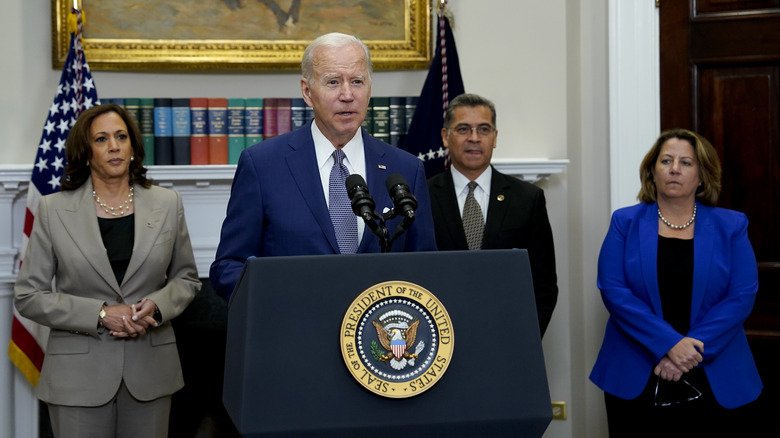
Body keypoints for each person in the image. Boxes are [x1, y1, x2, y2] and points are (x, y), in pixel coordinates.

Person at [14, 103, 201, 438]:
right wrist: (100, 314)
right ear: (86, 153)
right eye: (101, 139)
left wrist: (157, 307)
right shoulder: (53, 209)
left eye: (121, 136)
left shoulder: (167, 204)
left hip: (151, 372)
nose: (114, 146)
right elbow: (29, 297)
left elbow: (186, 279)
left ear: (133, 146)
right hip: (77, 378)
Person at [210, 32, 437, 301]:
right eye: (333, 82)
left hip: (378, 337)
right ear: (307, 92)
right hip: (293, 331)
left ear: (369, 88)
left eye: (357, 81)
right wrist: (283, 298)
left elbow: (427, 269)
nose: (347, 95)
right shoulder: (262, 165)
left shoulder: (406, 168)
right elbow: (228, 267)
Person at [590, 129, 763, 436]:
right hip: (636, 370)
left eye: (686, 163)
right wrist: (668, 344)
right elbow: (613, 290)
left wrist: (686, 352)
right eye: (666, 161)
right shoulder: (624, 222)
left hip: (717, 370)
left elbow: (742, 295)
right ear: (651, 172)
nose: (674, 169)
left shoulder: (732, 225)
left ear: (702, 176)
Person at [427, 93, 558, 336]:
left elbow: (544, 285)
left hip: (509, 336)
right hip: (437, 338)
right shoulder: (421, 197)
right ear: (446, 137)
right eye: (464, 129)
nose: (474, 138)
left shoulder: (528, 199)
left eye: (484, 129)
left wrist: (524, 338)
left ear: (494, 137)